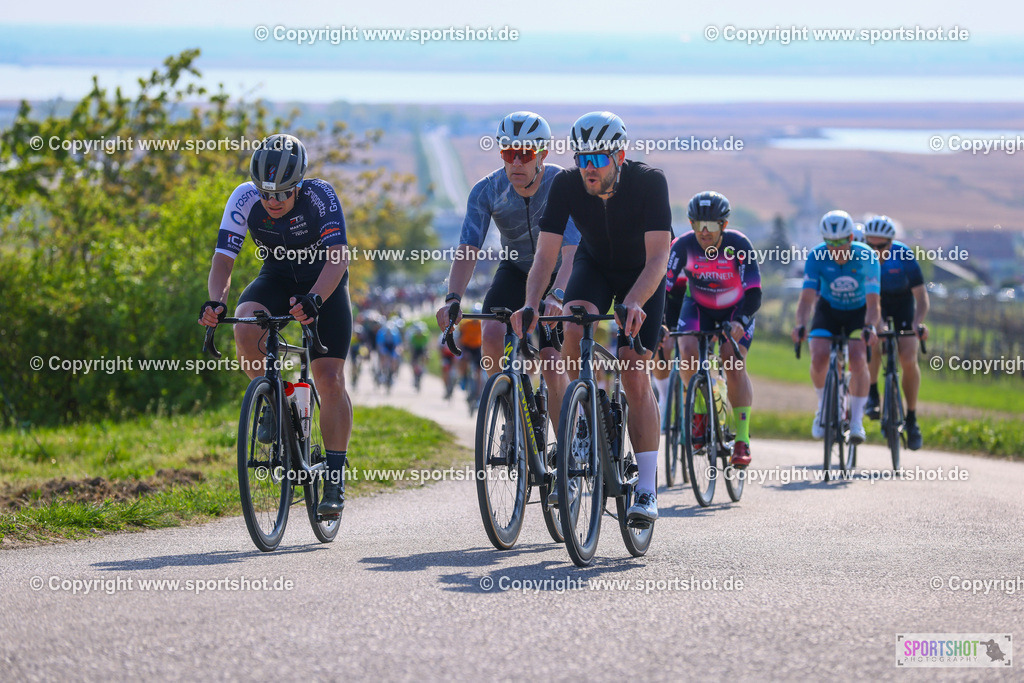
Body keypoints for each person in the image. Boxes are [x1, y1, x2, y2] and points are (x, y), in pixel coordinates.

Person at [513, 111, 671, 526]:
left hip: (643, 277)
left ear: (619, 155)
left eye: (597, 159)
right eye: (582, 158)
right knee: (571, 326)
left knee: (634, 371)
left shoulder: (649, 182)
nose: (588, 168)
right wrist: (531, 302)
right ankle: (581, 426)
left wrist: (635, 301)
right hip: (595, 266)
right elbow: (546, 256)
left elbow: (658, 257)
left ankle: (647, 489)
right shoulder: (567, 184)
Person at [198, 133, 352, 517]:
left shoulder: (321, 196)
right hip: (278, 277)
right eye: (266, 194)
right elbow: (223, 261)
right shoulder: (244, 198)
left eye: (283, 193)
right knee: (245, 328)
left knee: (328, 377)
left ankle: (334, 477)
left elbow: (338, 258)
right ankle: (274, 397)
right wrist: (217, 301)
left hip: (323, 283)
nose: (273, 201)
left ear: (299, 183)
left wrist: (315, 299)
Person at [435, 111, 579, 428]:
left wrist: (557, 295)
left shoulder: (562, 185)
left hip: (560, 275)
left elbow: (571, 254)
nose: (515, 162)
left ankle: (567, 448)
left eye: (524, 154)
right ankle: (513, 417)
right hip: (515, 270)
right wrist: (452, 297)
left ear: (542, 153)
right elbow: (467, 249)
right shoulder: (486, 190)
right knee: (491, 337)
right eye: (507, 153)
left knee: (553, 364)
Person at [665, 191, 762, 467]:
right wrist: (664, 325)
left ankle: (741, 439)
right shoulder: (682, 245)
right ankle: (698, 413)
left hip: (736, 311)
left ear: (724, 225)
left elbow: (754, 293)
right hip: (698, 307)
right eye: (698, 225)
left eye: (711, 225)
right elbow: (666, 290)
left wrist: (741, 322)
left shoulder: (739, 244)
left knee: (732, 362)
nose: (704, 232)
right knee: (686, 349)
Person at [792, 210, 880, 444]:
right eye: (830, 242)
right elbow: (807, 299)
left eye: (840, 241)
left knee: (859, 358)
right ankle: (823, 408)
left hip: (858, 313)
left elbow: (873, 304)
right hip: (829, 311)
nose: (835, 247)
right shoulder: (816, 257)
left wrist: (870, 327)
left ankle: (856, 421)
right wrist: (800, 324)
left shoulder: (867, 257)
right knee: (819, 357)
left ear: (851, 238)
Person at [862, 215, 929, 449]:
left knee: (908, 357)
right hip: (874, 302)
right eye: (870, 245)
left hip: (902, 304)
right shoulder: (859, 256)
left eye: (881, 246)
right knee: (874, 339)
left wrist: (917, 323)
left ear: (891, 243)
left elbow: (921, 298)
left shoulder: (904, 256)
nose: (875, 251)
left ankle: (911, 418)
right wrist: (875, 324)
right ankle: (872, 394)